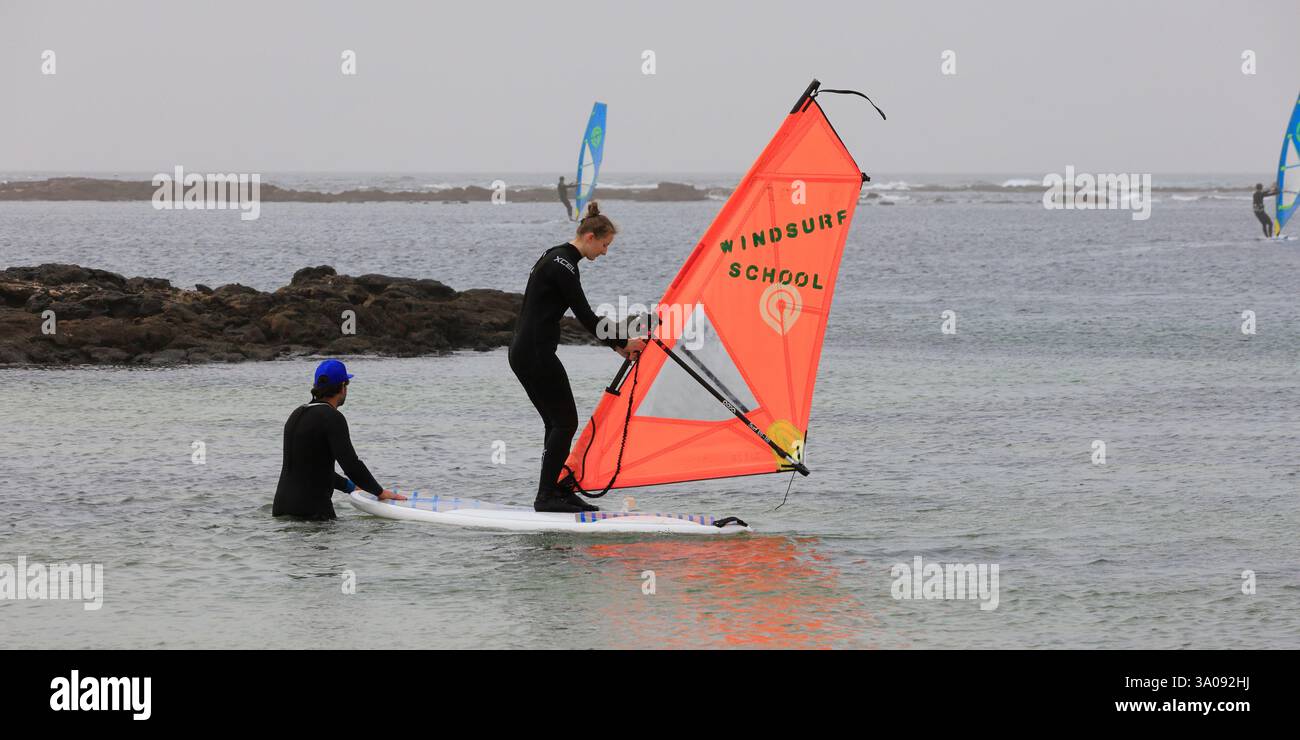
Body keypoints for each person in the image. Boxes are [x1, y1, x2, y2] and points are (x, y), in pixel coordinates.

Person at [510, 202, 647, 513]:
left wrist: (616, 347)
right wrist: (623, 340)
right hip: (534, 353)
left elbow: (582, 317)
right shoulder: (564, 266)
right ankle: (546, 497)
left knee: (556, 424)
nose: (604, 252)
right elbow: (585, 316)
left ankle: (555, 490)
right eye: (604, 244)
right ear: (589, 236)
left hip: (525, 351)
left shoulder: (555, 255)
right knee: (565, 422)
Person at [272, 359, 405, 519]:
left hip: (281, 508)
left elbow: (309, 469)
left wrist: (350, 487)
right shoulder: (332, 417)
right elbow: (350, 464)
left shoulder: (296, 414)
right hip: (313, 511)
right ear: (342, 387)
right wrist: (380, 492)